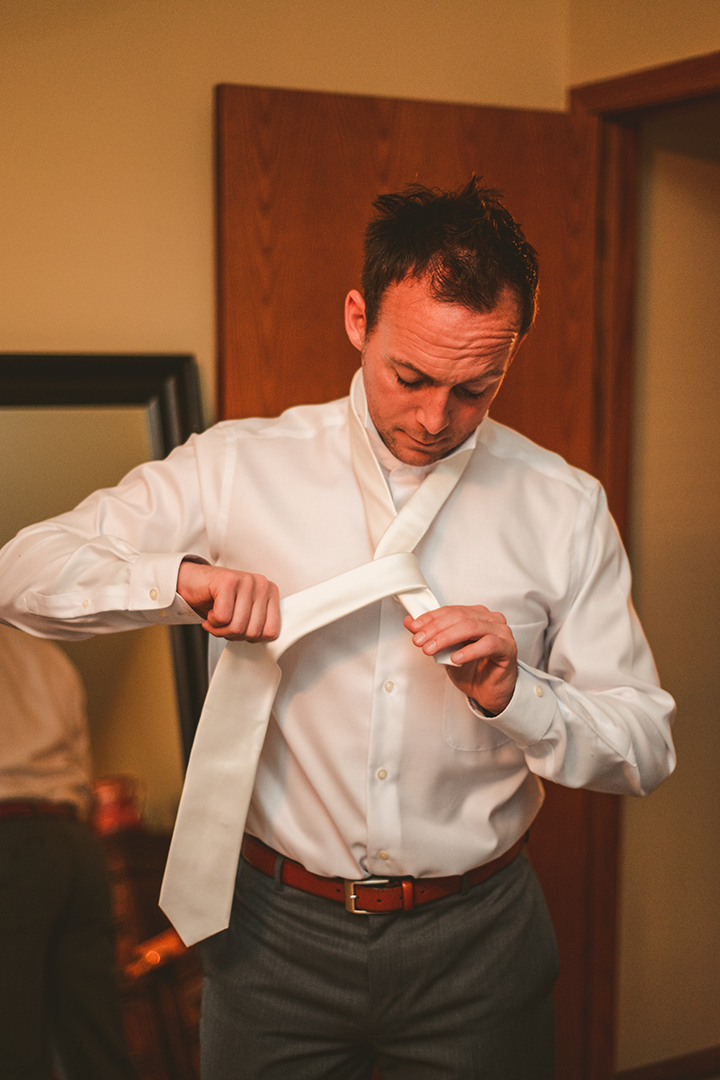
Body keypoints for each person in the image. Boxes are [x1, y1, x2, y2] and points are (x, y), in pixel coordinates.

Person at [0, 178, 676, 1079]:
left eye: (478, 387)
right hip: (272, 936)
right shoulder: (238, 467)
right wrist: (181, 581)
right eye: (412, 377)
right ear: (358, 318)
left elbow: (646, 743)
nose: (438, 420)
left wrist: (522, 695)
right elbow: (23, 573)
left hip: (479, 940)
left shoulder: (564, 506)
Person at [0, 624, 137, 1080]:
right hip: (76, 844)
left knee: (14, 1044)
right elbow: (82, 758)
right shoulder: (47, 654)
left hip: (10, 842)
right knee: (97, 1038)